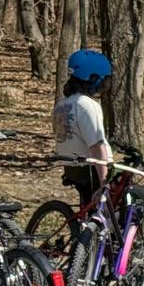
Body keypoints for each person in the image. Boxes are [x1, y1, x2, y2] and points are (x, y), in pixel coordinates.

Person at [52, 48, 113, 205]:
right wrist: (104, 182)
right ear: (95, 79)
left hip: (72, 168)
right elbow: (96, 146)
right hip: (92, 169)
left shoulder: (62, 104)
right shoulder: (86, 105)